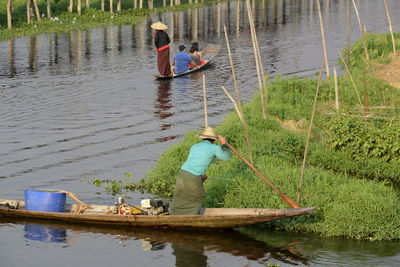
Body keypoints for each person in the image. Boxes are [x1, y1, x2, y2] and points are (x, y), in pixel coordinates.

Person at [170, 127, 231, 215]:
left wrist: (201, 177)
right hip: (193, 176)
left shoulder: (194, 146)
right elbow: (226, 157)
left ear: (203, 138)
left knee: (181, 195)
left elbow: (193, 165)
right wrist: (224, 144)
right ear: (213, 140)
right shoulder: (214, 147)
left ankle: (175, 214)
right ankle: (190, 217)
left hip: (182, 174)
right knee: (197, 197)